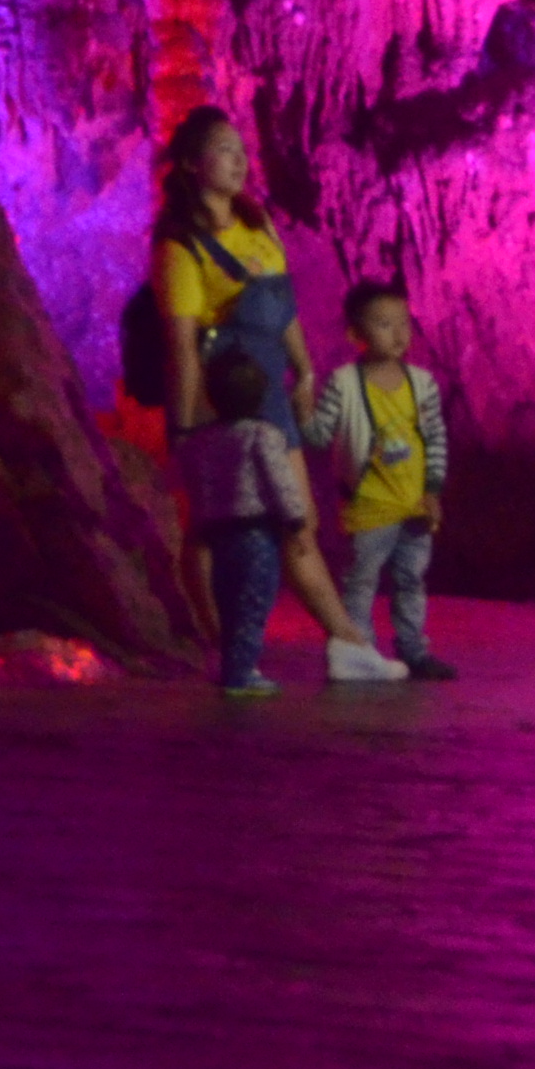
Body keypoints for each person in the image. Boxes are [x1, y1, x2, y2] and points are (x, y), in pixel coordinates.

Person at [147, 109, 404, 682]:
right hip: (223, 397)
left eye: (242, 149)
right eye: (223, 149)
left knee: (298, 518)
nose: (239, 160)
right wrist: (186, 428)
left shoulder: (258, 229)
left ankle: (344, 643)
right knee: (216, 523)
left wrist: (306, 370)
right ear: (192, 164)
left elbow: (281, 311)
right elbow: (185, 347)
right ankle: (229, 641)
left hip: (271, 391)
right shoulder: (179, 248)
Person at [301, 277, 459, 679]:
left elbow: (436, 439)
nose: (399, 333)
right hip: (368, 506)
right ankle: (361, 651)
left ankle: (413, 650)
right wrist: (301, 408)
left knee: (411, 579)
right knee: (361, 581)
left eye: (404, 323)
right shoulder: (343, 383)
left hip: (413, 505)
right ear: (357, 333)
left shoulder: (421, 384)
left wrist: (433, 490)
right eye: (384, 324)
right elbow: (319, 436)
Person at [174, 345, 316, 698]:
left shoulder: (199, 441)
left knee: (228, 600)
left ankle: (234, 666)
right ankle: (240, 675)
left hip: (219, 534)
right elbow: (279, 481)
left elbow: (195, 483)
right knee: (254, 602)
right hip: (256, 534)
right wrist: (296, 522)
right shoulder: (263, 436)